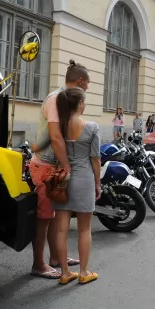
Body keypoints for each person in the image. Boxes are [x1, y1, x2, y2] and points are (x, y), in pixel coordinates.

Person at [28, 59, 90, 279]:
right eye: (86, 88)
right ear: (80, 82)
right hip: (45, 166)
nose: (85, 93)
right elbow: (55, 136)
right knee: (43, 218)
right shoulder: (56, 99)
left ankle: (55, 258)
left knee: (53, 216)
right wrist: (67, 166)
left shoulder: (62, 100)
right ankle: (38, 264)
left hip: (51, 166)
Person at [53, 86, 101, 285]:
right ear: (80, 104)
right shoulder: (91, 127)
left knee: (61, 230)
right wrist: (98, 183)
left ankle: (64, 273)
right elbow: (95, 158)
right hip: (84, 180)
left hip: (63, 180)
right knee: (84, 229)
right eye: (84, 101)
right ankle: (83, 272)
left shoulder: (60, 127)